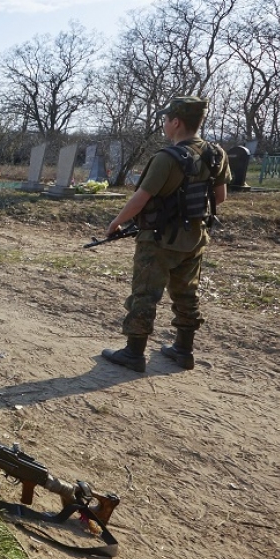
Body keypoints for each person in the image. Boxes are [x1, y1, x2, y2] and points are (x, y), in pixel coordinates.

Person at [101, 96, 231, 373]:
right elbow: (219, 197)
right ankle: (183, 351)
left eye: (165, 119)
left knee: (145, 295)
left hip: (158, 240)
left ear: (176, 122)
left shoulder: (166, 158)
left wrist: (115, 223)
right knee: (187, 295)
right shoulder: (216, 154)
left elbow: (140, 199)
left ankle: (134, 353)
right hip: (195, 237)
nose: (163, 123)